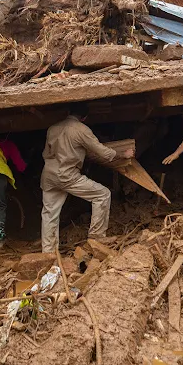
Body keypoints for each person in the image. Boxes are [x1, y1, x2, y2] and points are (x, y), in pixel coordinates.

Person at [40, 102, 134, 253]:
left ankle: (48, 252)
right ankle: (96, 239)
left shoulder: (53, 128)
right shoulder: (82, 130)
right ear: (84, 117)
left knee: (49, 213)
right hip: (68, 175)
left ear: (68, 112)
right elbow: (102, 151)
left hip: (49, 175)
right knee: (102, 195)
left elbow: (46, 153)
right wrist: (123, 155)